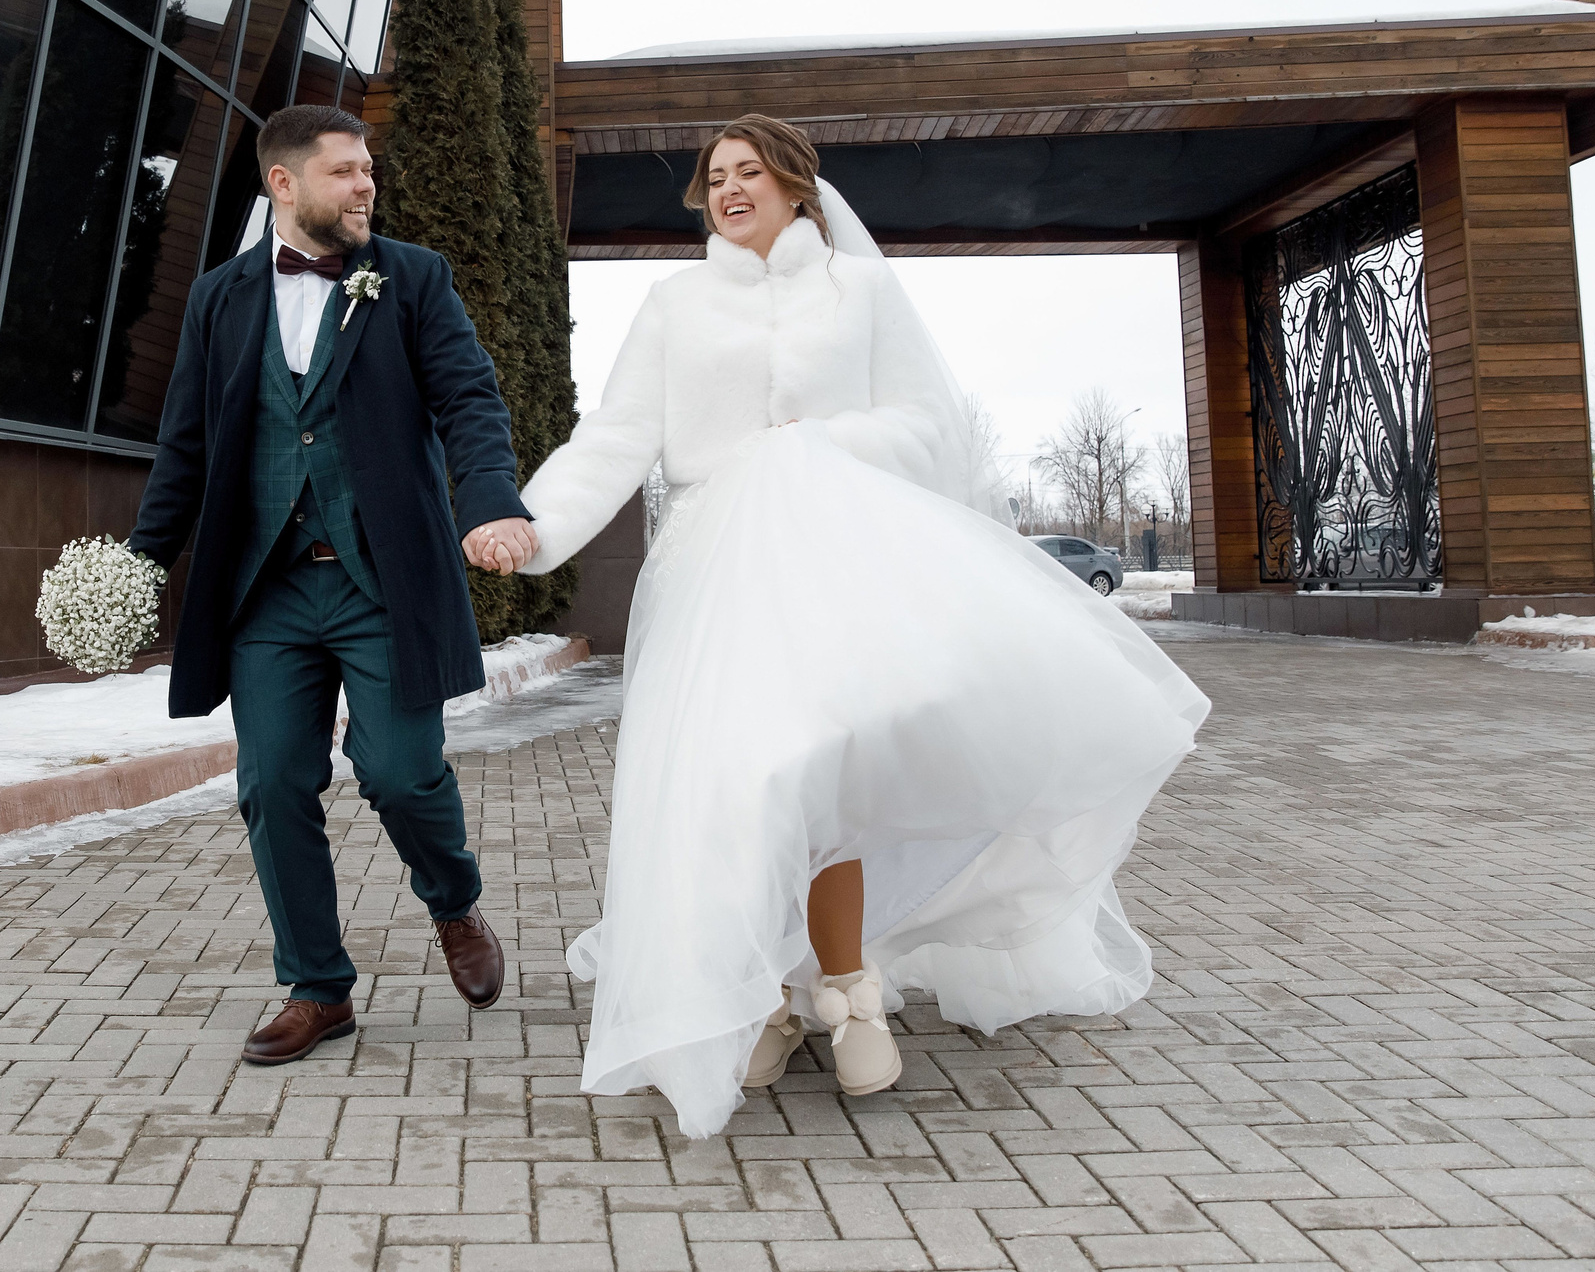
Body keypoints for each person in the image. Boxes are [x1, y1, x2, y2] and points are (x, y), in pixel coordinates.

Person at [516, 114, 1212, 1137]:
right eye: (715, 177)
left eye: (750, 171)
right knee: (740, 781)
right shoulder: (675, 304)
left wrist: (824, 441)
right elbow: (616, 436)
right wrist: (530, 530)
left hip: (839, 559)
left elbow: (929, 423)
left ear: (797, 185)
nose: (729, 188)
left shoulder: (861, 290)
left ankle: (843, 984)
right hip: (717, 573)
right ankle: (767, 994)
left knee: (821, 771)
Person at [128, 104, 540, 1065]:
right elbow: (185, 444)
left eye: (368, 170)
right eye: (345, 171)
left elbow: (468, 397)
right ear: (284, 183)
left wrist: (488, 500)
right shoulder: (218, 299)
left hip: (380, 582)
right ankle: (317, 987)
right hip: (265, 591)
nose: (366, 185)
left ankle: (453, 899)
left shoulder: (413, 278)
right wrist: (140, 563)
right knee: (272, 782)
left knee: (399, 771)